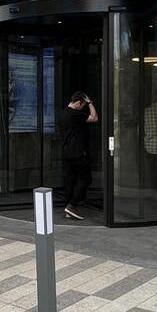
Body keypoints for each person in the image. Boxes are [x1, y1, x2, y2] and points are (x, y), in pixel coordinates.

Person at [59, 91, 97, 220]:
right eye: (83, 105)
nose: (83, 107)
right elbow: (94, 118)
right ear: (79, 103)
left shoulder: (62, 113)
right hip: (78, 152)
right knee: (86, 178)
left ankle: (69, 207)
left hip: (66, 151)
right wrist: (90, 103)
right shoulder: (75, 114)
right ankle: (72, 205)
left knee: (70, 179)